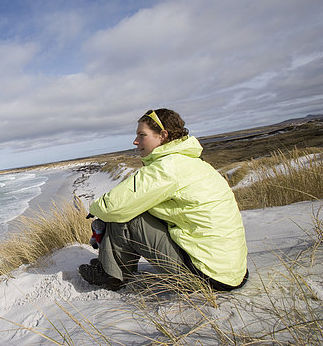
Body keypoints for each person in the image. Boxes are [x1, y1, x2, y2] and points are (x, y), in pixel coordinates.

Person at [78, 108, 248, 291]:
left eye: (142, 135)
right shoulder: (193, 163)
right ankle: (111, 263)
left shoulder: (167, 167)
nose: (135, 141)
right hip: (230, 272)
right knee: (135, 208)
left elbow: (113, 205)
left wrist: (96, 213)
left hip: (206, 277)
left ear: (163, 135)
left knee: (125, 214)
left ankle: (111, 275)